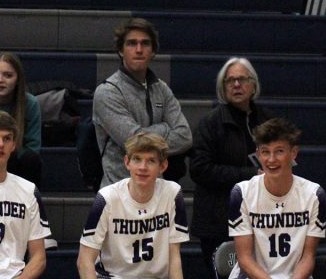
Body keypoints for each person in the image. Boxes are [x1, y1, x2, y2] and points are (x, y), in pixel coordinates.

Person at [190, 57, 272, 278]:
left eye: (242, 79)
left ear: (253, 85)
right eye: (230, 81)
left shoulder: (267, 120)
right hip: (219, 220)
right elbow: (199, 169)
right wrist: (250, 175)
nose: (236, 85)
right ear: (223, 87)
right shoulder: (210, 123)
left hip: (260, 217)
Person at [93, 17, 192, 188]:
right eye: (132, 43)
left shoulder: (161, 89)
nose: (139, 50)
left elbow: (185, 136)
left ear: (152, 51)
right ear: (121, 51)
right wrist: (164, 128)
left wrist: (143, 134)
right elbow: (134, 143)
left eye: (145, 43)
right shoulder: (107, 92)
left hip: (156, 191)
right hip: (118, 191)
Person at [77, 132, 189, 279]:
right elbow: (84, 261)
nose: (143, 167)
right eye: (137, 159)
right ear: (127, 162)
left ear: (163, 166)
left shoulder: (172, 194)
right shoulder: (106, 198)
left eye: (151, 161)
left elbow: (174, 257)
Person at [228, 118, 324, 279]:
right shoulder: (241, 193)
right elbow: (245, 258)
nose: (271, 159)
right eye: (265, 152)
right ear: (258, 154)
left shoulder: (314, 194)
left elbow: (308, 257)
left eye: (279, 151)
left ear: (293, 153)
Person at [0, 110, 51, 278]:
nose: (0, 144)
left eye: (7, 138)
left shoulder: (29, 190)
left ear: (13, 145)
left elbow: (39, 257)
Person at [0, 52, 43, 187]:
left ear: (18, 79)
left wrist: (6, 153)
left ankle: (27, 196)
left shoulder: (30, 103)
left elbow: (33, 146)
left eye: (8, 75)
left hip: (16, 158)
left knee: (31, 159)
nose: (0, 80)